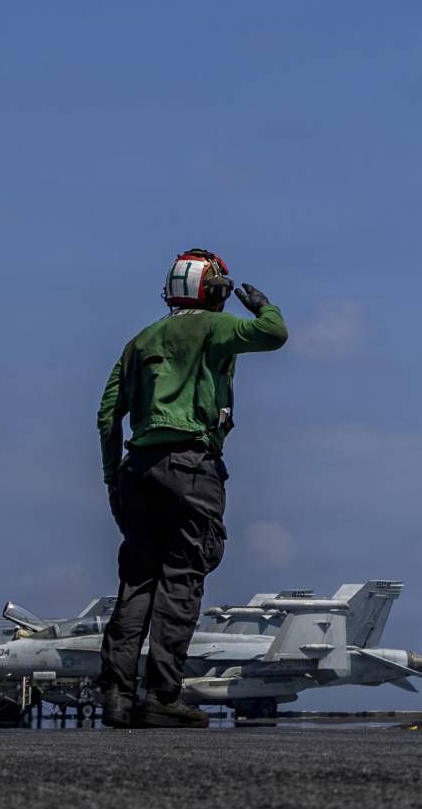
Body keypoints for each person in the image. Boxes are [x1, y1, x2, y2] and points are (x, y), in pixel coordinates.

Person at [96, 250, 287, 729]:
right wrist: (262, 306)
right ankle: (162, 697)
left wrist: (113, 480)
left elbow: (106, 416)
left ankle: (117, 698)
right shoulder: (214, 326)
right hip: (191, 468)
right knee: (181, 579)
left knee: (136, 582)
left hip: (137, 471)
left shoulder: (138, 342)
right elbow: (274, 334)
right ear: (213, 292)